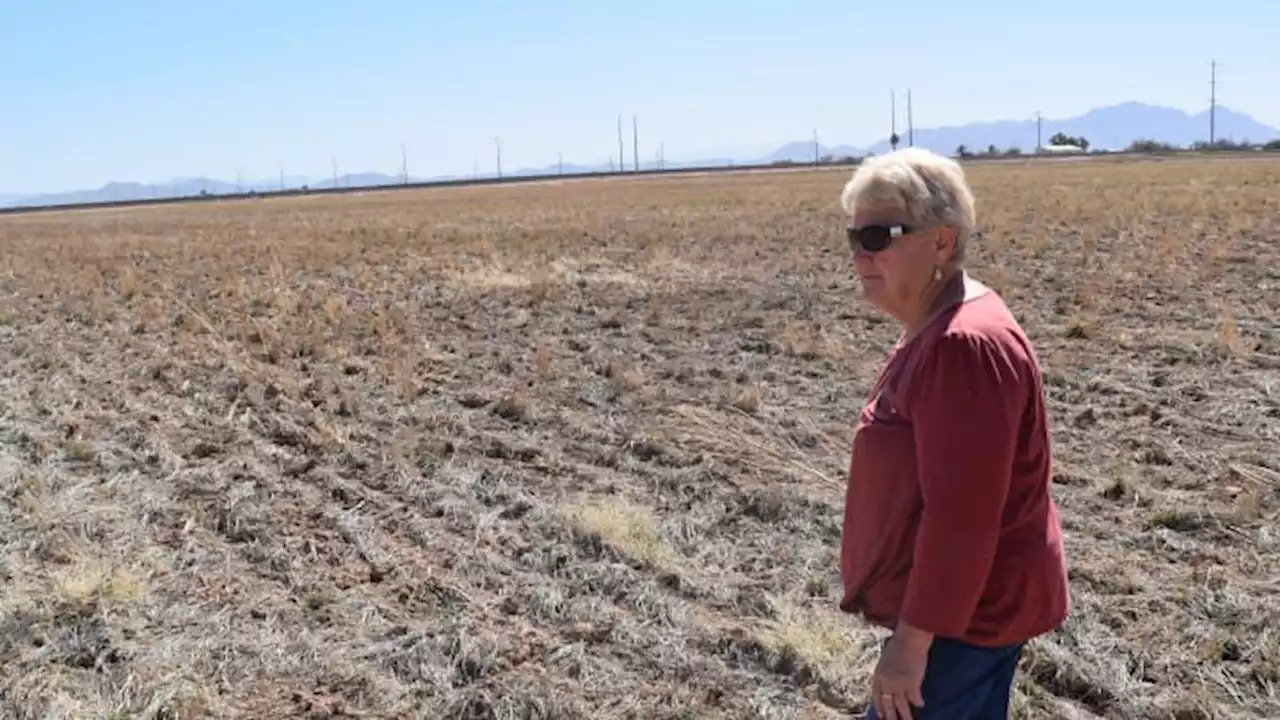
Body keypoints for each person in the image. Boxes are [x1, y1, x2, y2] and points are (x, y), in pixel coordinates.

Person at [836, 148, 1072, 720]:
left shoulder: (961, 346)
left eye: (879, 235)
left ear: (942, 241)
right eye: (853, 236)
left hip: (964, 622)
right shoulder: (941, 322)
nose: (860, 254)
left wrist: (911, 645)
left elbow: (961, 520)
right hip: (966, 612)